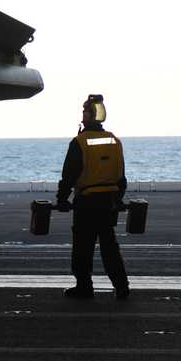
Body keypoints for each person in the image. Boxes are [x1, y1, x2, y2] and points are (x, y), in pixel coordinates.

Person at [57, 94, 131, 299]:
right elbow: (121, 175)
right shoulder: (114, 140)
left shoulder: (80, 142)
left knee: (83, 246)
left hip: (87, 200)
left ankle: (84, 286)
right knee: (109, 246)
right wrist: (118, 198)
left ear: (90, 115)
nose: (82, 115)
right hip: (109, 200)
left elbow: (69, 174)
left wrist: (62, 199)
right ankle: (122, 286)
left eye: (84, 112)